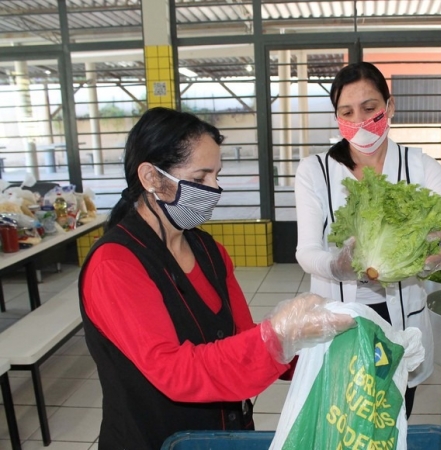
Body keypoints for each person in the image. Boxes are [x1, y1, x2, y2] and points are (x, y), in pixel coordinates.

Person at [79, 107, 354, 450]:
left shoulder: (208, 250)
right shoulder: (116, 264)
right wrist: (276, 337)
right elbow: (174, 371)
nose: (214, 189)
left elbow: (241, 337)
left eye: (216, 175)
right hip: (155, 439)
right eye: (199, 178)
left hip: (222, 434)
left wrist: (316, 347)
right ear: (151, 177)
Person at [294, 62, 441, 417]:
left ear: (389, 107)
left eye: (370, 108)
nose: (360, 121)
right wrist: (338, 267)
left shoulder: (420, 165)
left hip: (400, 318)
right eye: (347, 112)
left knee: (392, 416)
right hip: (338, 318)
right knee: (342, 419)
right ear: (336, 117)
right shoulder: (315, 171)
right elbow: (306, 252)